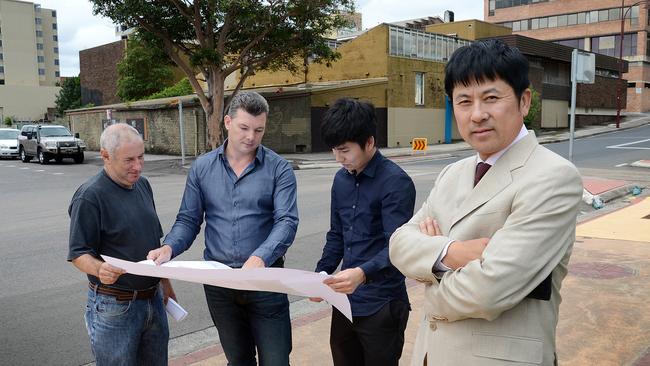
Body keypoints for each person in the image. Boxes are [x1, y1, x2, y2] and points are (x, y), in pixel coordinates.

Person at [389, 39, 583, 366]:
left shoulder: (553, 177)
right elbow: (398, 243)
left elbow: (489, 290)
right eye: (464, 101)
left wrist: (428, 280)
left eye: (491, 98)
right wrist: (451, 253)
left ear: (524, 101)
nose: (477, 114)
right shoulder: (453, 173)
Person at [147, 91, 299, 366]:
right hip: (220, 285)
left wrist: (260, 257)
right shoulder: (202, 168)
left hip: (265, 280)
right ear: (227, 122)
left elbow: (286, 221)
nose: (251, 137)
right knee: (237, 360)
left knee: (276, 361)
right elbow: (188, 220)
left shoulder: (279, 169)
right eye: (244, 128)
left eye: (258, 130)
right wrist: (169, 247)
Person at [311, 98, 415, 366]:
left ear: (369, 142)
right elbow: (337, 235)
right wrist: (320, 275)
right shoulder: (341, 179)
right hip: (345, 302)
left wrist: (362, 274)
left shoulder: (396, 183)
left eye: (344, 150)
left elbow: (398, 246)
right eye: (334, 150)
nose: (338, 158)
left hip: (383, 304)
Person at [67, 123, 175, 366]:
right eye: (129, 160)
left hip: (153, 300)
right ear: (105, 156)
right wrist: (98, 269)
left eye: (141, 157)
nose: (137, 166)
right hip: (115, 306)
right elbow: (78, 253)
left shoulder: (143, 185)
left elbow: (152, 242)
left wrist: (165, 283)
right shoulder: (90, 196)